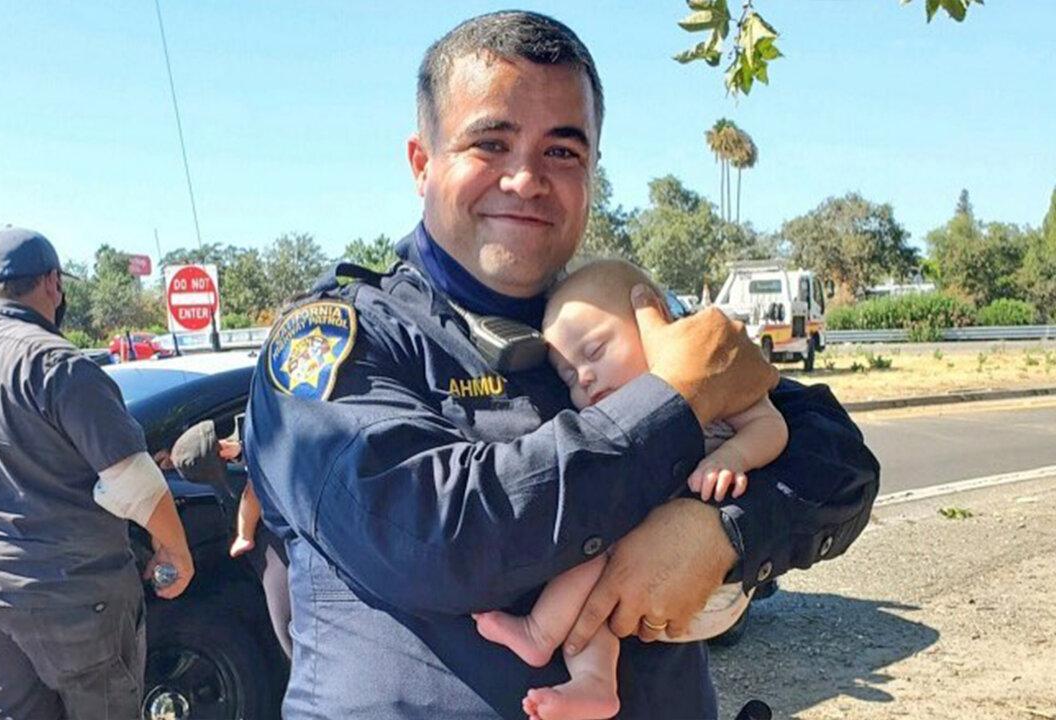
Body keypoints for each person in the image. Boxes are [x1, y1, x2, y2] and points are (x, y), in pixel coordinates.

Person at [244, 11, 880, 720]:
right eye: (491, 142)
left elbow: (837, 458)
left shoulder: (615, 316)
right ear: (423, 163)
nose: (526, 178)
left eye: (563, 152)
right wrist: (669, 404)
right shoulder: (339, 341)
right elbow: (434, 534)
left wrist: (723, 530)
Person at [472, 259, 789, 720]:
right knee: (589, 558)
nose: (583, 376)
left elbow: (771, 424)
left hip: (716, 590)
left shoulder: (713, 376)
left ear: (653, 320)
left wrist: (732, 459)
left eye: (596, 349)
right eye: (567, 374)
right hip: (635, 606)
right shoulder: (601, 423)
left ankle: (543, 637)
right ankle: (583, 673)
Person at [0, 227, 195, 719]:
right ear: (52, 284)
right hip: (71, 597)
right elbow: (131, 481)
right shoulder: (55, 363)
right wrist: (175, 550)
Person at [169, 419, 293, 659]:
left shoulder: (220, 487)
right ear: (221, 452)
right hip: (279, 553)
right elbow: (254, 491)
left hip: (267, 562)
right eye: (219, 443)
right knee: (292, 629)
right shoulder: (250, 469)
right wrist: (244, 535)